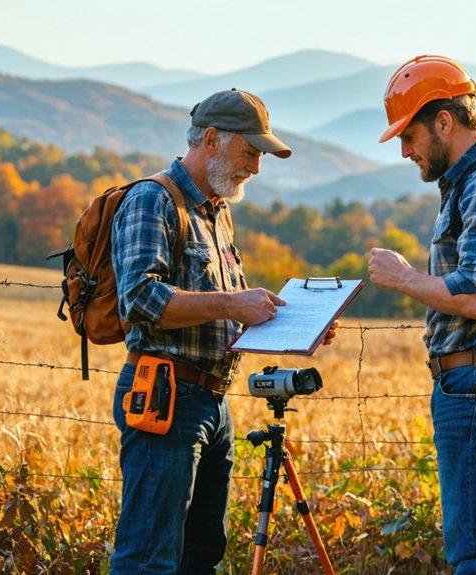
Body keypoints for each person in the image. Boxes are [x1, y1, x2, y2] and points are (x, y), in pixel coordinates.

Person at [109, 88, 336, 574]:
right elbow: (140, 299)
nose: (256, 168)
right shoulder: (153, 199)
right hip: (165, 396)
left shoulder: (217, 212)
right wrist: (234, 303)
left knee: (202, 557)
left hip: (213, 402)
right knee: (149, 559)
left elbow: (228, 313)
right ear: (211, 139)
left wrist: (300, 325)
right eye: (250, 152)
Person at [367, 55, 476, 574]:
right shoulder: (468, 185)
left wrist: (403, 277)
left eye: (409, 136)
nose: (405, 151)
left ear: (444, 121)